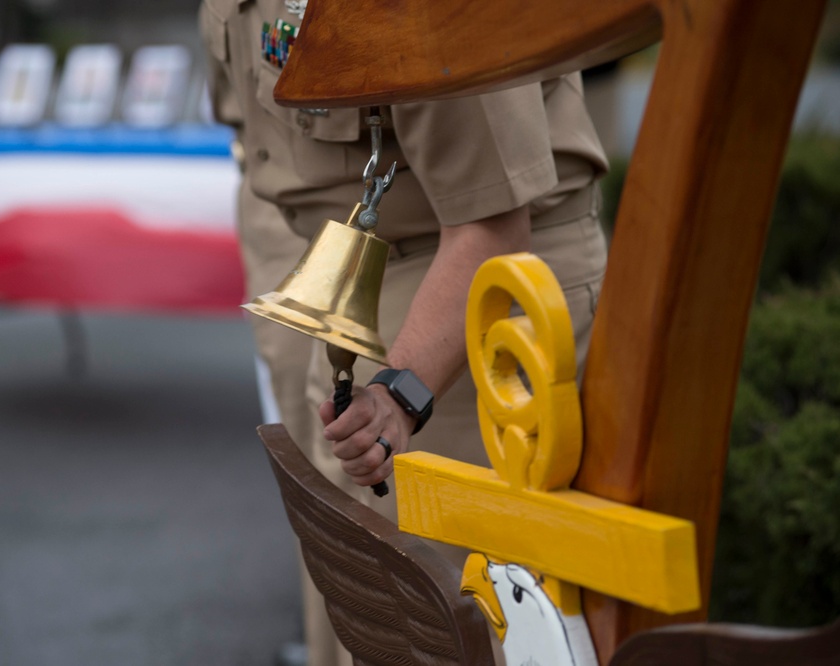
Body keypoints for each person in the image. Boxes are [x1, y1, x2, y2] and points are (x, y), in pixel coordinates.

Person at [200, 1, 609, 664]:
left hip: (473, 298)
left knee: (458, 627)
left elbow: (493, 228)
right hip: (356, 272)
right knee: (359, 620)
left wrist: (399, 392)